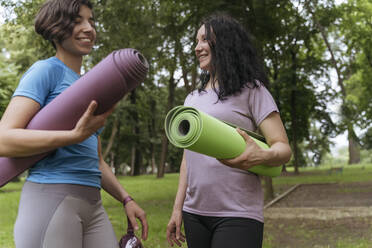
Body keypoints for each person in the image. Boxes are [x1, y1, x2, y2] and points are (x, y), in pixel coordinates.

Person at [0, 0, 148, 247]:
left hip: (93, 204)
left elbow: (96, 160)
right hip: (50, 199)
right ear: (56, 27)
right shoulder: (45, 71)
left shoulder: (91, 85)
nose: (89, 28)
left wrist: (126, 199)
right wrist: (72, 136)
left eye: (91, 21)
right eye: (78, 21)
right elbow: (4, 140)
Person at [166, 13, 292, 248]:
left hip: (238, 213)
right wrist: (177, 209)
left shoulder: (253, 91)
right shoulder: (192, 99)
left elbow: (283, 148)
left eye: (204, 40)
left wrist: (263, 155)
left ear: (225, 43)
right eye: (196, 41)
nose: (197, 47)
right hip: (195, 214)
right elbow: (187, 159)